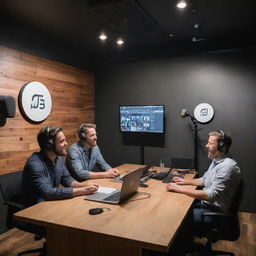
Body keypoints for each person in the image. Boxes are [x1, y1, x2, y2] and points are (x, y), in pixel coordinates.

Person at [166, 130, 241, 235]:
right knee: (176, 205)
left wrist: (180, 189)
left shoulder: (227, 166)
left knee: (178, 217)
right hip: (207, 205)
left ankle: (179, 248)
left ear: (221, 147)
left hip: (214, 212)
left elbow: (211, 195)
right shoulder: (217, 161)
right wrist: (185, 181)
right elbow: (204, 180)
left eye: (211, 143)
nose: (206, 146)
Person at [21, 125, 98, 208]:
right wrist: (82, 190)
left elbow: (67, 179)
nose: (66, 143)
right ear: (49, 145)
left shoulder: (57, 159)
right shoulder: (35, 164)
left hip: (49, 204)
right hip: (33, 209)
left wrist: (84, 186)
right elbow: (48, 192)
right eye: (62, 141)